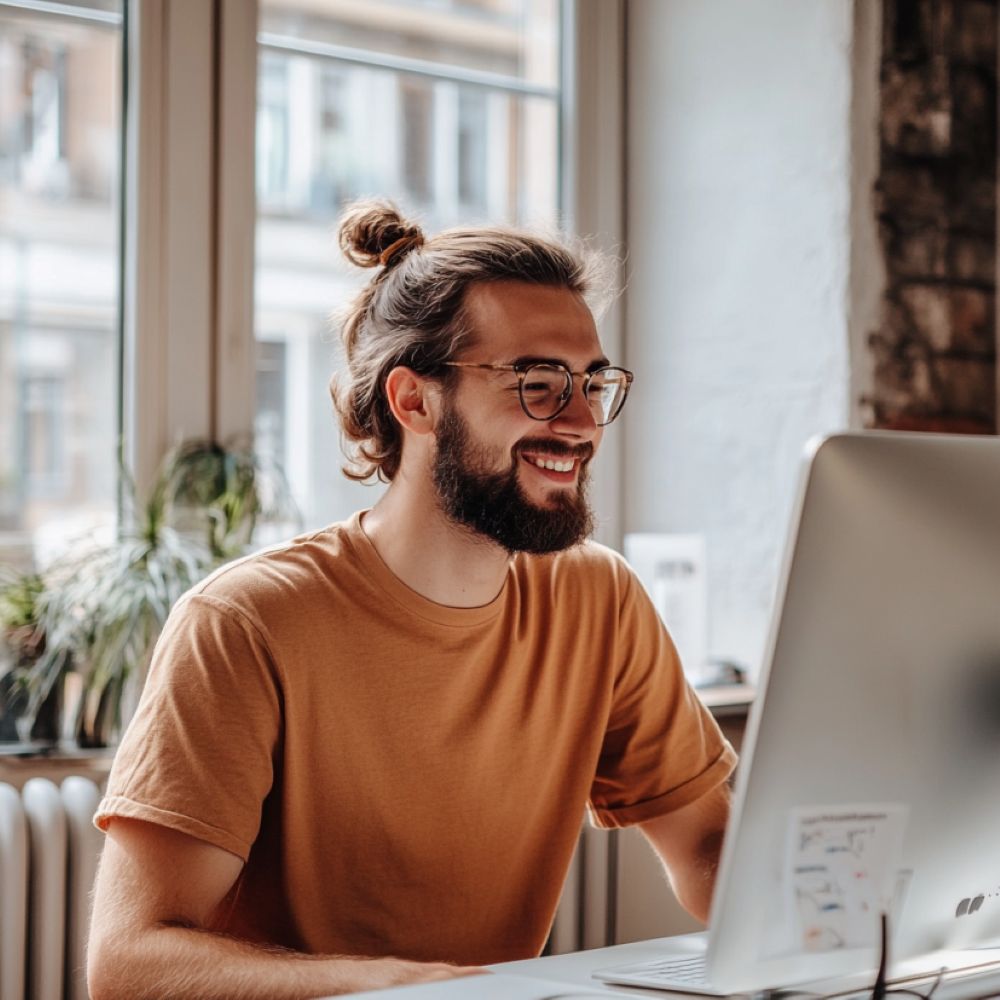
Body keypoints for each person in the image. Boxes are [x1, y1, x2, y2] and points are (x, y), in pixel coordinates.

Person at [87, 201, 737, 1000]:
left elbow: (706, 845)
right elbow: (128, 962)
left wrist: (849, 890)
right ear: (414, 402)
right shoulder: (247, 622)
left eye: (593, 383)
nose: (580, 422)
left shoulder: (597, 597)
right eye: (537, 384)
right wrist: (400, 988)